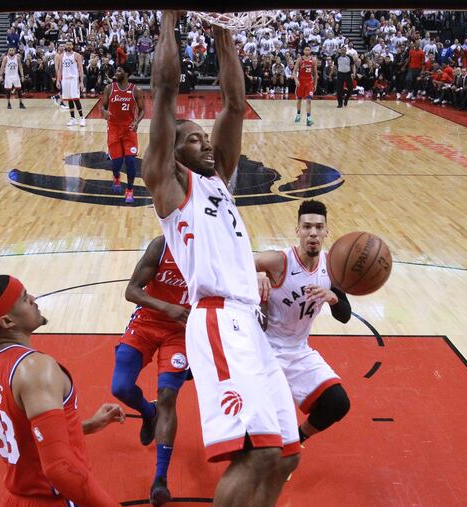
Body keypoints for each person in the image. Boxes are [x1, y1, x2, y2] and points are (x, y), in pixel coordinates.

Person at [141, 11, 300, 506]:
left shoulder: (217, 179)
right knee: (252, 454)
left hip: (248, 322)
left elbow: (235, 103)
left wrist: (223, 27)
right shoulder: (168, 185)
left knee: (286, 454)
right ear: (173, 151)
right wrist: (170, 17)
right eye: (193, 138)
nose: (205, 142)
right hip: (216, 318)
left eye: (205, 138)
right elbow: (165, 91)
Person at [0, 275, 123, 506]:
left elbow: (28, 435)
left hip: (14, 498)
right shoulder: (35, 368)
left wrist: (88, 426)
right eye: (23, 299)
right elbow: (59, 469)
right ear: (8, 322)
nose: (33, 299)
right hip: (51, 499)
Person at [255, 200, 352, 449]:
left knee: (337, 402)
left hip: (298, 350)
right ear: (297, 230)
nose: (313, 233)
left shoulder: (331, 267)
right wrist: (255, 273)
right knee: (270, 421)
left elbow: (344, 315)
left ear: (326, 232)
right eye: (307, 226)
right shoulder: (279, 261)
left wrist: (332, 298)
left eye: (319, 227)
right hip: (266, 350)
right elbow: (235, 263)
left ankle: (298, 440)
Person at [110, 236, 191, 505]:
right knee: (119, 387)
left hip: (180, 332)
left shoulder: (215, 248)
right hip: (147, 321)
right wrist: (166, 307)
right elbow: (132, 291)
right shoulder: (162, 245)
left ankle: (160, 479)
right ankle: (148, 411)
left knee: (168, 395)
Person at [101, 64, 145, 203]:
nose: (116, 72)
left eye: (119, 70)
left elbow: (142, 110)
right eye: (117, 70)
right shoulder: (109, 88)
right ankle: (116, 176)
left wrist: (137, 122)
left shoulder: (136, 90)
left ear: (126, 74)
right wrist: (104, 111)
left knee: (131, 161)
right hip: (113, 129)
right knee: (117, 163)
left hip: (129, 130)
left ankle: (130, 190)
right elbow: (103, 105)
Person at [55, 40, 86, 126]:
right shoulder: (62, 56)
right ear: (65, 45)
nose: (68, 46)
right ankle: (73, 118)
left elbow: (81, 69)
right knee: (69, 99)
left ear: (72, 46)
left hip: (74, 79)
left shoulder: (77, 55)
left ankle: (82, 118)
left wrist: (81, 81)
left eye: (70, 44)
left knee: (76, 98)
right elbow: (60, 69)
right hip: (65, 79)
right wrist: (58, 80)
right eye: (67, 44)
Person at [294, 46, 318, 125]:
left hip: (309, 83)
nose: (307, 51)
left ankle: (308, 119)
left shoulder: (313, 60)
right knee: (299, 100)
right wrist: (296, 80)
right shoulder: (299, 60)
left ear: (310, 51)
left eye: (308, 50)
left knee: (309, 100)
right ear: (303, 51)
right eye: (306, 49)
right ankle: (298, 114)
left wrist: (315, 84)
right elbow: (294, 72)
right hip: (301, 82)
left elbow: (315, 73)